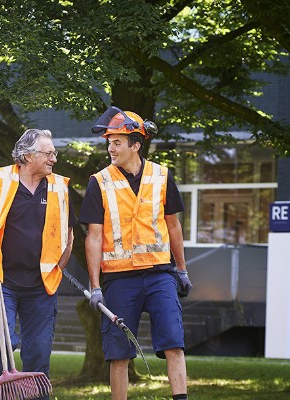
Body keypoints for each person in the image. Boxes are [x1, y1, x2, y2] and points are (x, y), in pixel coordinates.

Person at [79, 107, 193, 400]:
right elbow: (92, 237)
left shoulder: (162, 176)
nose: (110, 149)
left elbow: (173, 225)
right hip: (119, 279)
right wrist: (94, 286)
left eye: (117, 142)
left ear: (135, 145)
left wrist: (181, 269)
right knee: (118, 351)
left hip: (160, 274)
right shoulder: (99, 182)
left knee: (174, 343)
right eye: (109, 142)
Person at [0, 129, 75, 400]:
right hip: (2, 280)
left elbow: (68, 234)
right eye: (48, 154)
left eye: (54, 153)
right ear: (27, 156)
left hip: (42, 286)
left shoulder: (59, 186)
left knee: (38, 354)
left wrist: (61, 262)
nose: (54, 159)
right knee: (1, 345)